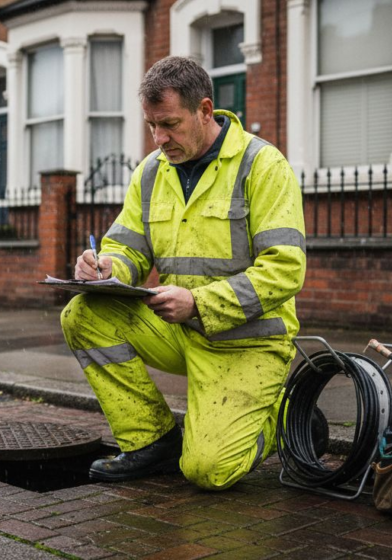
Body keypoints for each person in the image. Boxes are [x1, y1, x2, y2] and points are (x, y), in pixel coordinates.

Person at [60, 56, 306, 490]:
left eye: (169, 124)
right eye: (152, 125)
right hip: (179, 331)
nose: (159, 138)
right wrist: (105, 267)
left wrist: (200, 302)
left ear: (205, 110)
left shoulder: (263, 166)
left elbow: (285, 269)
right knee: (83, 313)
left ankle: (291, 420)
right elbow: (127, 247)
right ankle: (151, 441)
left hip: (247, 343)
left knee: (208, 472)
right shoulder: (151, 172)